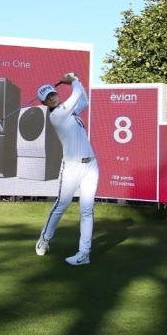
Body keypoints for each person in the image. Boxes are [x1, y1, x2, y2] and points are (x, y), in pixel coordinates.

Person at [34, 72, 99, 266]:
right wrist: (73, 80)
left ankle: (84, 254)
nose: (52, 98)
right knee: (61, 205)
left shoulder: (70, 112)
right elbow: (77, 93)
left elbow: (84, 100)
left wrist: (74, 80)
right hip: (71, 167)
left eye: (53, 94)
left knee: (87, 211)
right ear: (45, 104)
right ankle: (44, 239)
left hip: (91, 166)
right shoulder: (58, 115)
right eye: (48, 98)